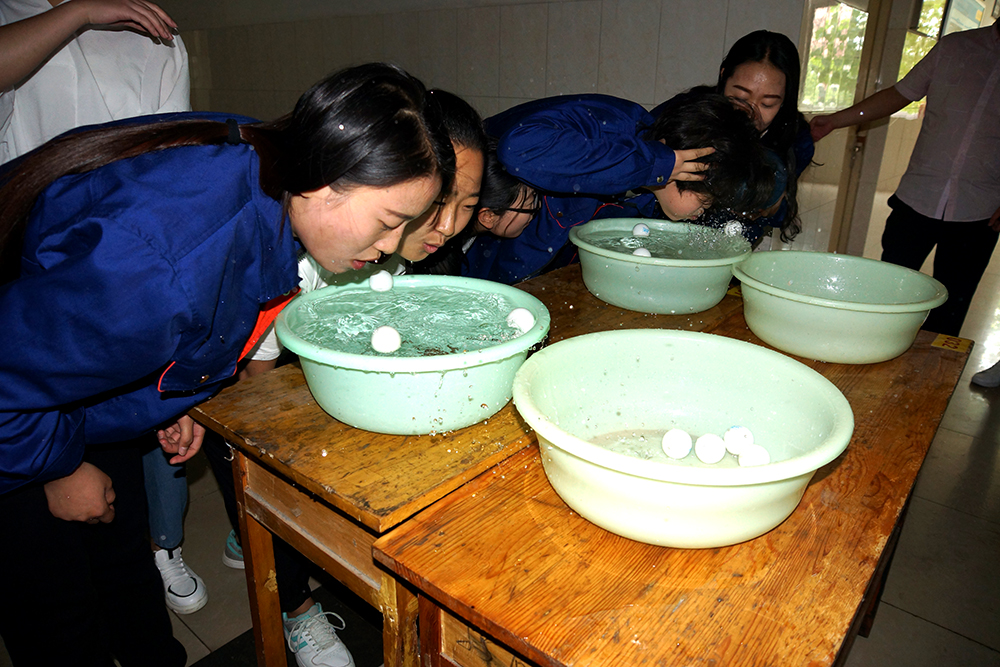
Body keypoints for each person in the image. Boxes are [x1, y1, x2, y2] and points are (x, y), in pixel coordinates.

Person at [0, 62, 453, 667]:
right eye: (389, 223)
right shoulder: (161, 268)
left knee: (123, 565)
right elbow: (15, 373)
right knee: (56, 607)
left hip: (64, 393)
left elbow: (130, 332)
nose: (390, 248)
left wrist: (174, 392)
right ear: (326, 179)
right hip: (18, 431)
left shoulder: (266, 165)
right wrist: (57, 466)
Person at [203, 87, 483, 667]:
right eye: (437, 205)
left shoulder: (415, 249)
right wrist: (259, 483)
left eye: (467, 205)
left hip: (317, 364)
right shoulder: (294, 258)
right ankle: (292, 597)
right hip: (248, 367)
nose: (447, 226)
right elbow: (249, 390)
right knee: (247, 450)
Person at [0, 0, 209, 615]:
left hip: (120, 268)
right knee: (45, 566)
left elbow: (169, 161)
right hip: (26, 266)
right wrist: (79, 13)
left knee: (128, 478)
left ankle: (159, 550)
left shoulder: (153, 35)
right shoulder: (17, 15)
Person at [461, 90, 775, 285]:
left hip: (514, 279)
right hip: (463, 251)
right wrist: (655, 165)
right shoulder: (614, 127)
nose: (701, 213)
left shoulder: (647, 200)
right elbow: (520, 149)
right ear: (686, 168)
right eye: (704, 202)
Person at [810, 20, 1000, 341]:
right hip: (916, 200)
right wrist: (835, 120)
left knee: (950, 313)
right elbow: (901, 93)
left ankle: (931, 371)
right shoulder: (955, 47)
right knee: (889, 298)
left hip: (979, 214)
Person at [660, 30, 815, 246]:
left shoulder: (795, 138)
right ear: (724, 77)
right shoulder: (691, 111)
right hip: (664, 239)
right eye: (740, 97)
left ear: (785, 99)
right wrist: (662, 187)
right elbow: (635, 151)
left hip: (732, 248)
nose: (751, 113)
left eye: (768, 104)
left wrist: (772, 207)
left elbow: (780, 212)